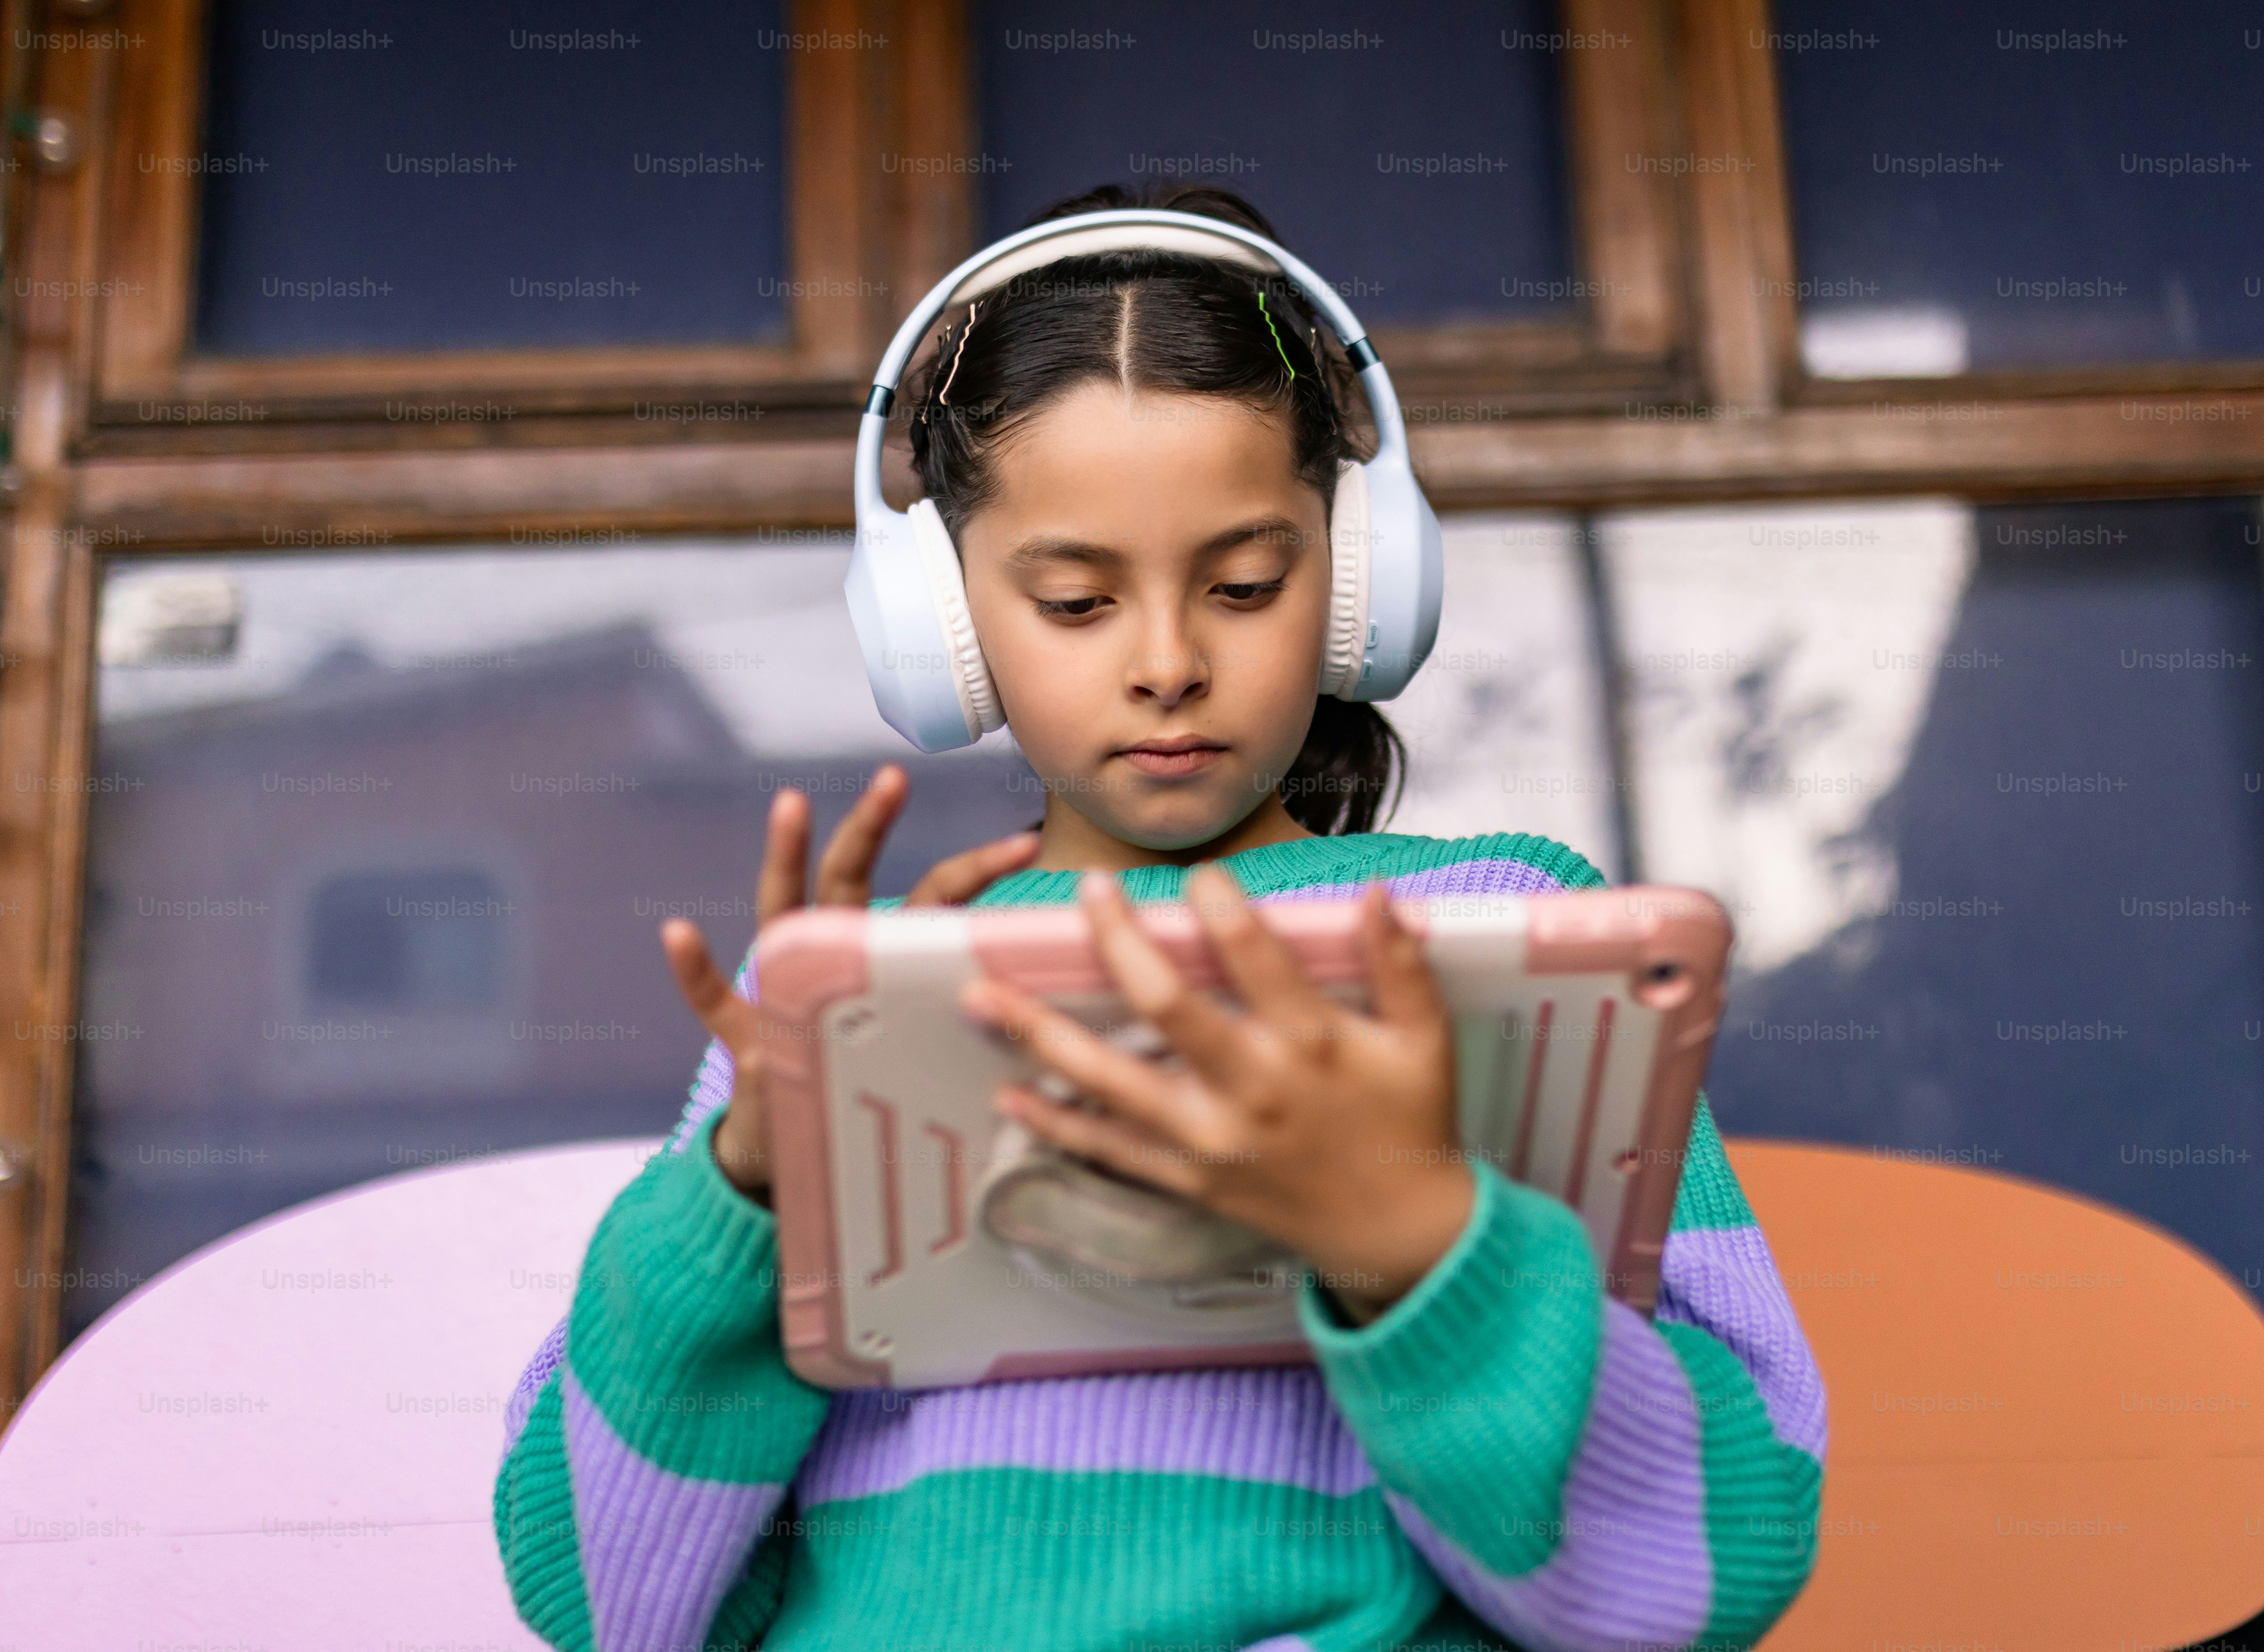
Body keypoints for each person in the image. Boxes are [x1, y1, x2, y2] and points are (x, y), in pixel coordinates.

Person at [493, 181, 1825, 1652]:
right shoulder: (837, 1004)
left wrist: (1417, 1249)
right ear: (941, 620)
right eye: (1075, 602)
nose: (1170, 661)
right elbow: (603, 1596)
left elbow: (1707, 1558)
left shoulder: (1512, 932)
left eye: (1247, 585)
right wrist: (740, 1206)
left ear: (1356, 578)